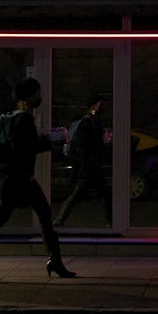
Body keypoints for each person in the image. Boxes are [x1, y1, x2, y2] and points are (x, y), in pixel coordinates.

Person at [0, 77, 76, 282]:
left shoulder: (18, 118)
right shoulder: (24, 119)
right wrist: (49, 142)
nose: (40, 97)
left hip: (15, 179)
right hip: (20, 179)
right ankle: (54, 261)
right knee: (36, 217)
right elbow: (22, 148)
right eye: (37, 93)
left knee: (7, 219)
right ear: (29, 96)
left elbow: (23, 146)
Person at [54, 93, 111, 228]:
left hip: (90, 165)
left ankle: (60, 220)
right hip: (89, 166)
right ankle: (60, 219)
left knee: (95, 193)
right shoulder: (89, 121)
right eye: (100, 104)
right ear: (93, 105)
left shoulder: (92, 120)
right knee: (83, 193)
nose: (103, 106)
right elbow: (84, 145)